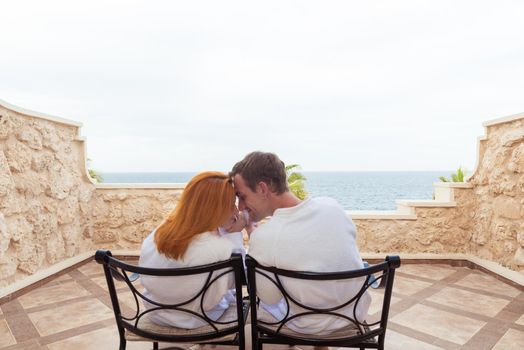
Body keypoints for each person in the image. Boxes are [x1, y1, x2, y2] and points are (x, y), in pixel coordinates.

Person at [230, 151, 371, 335]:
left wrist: (252, 234)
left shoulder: (266, 237)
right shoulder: (332, 206)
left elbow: (269, 298)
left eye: (242, 196)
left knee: (257, 313)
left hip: (311, 326)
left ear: (263, 189)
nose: (240, 206)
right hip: (354, 314)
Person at [139, 171, 247, 328]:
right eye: (231, 204)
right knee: (233, 295)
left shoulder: (157, 234)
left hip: (156, 311)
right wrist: (235, 233)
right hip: (194, 318)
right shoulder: (219, 249)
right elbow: (240, 278)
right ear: (214, 209)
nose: (236, 211)